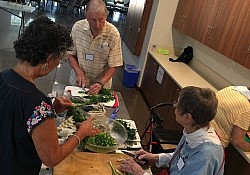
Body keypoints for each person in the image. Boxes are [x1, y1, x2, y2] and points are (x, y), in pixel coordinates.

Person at [0, 16, 98, 175]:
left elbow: (14, 117)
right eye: (59, 60)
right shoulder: (39, 104)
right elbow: (51, 158)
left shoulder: (3, 77)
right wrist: (81, 133)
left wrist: (51, 110)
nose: (57, 64)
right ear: (49, 59)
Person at [120, 86, 224, 175]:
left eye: (177, 105)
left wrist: (141, 173)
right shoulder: (193, 129)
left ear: (187, 117)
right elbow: (181, 158)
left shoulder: (205, 156)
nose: (174, 107)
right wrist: (155, 158)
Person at [68, 0, 123, 95]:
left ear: (106, 15)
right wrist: (79, 72)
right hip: (78, 82)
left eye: (101, 19)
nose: (97, 25)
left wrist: (100, 83)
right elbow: (70, 54)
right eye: (93, 20)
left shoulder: (113, 34)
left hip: (101, 85)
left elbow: (114, 64)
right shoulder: (77, 28)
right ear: (86, 16)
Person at [210, 86, 250, 151]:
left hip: (199, 131)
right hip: (213, 144)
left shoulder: (231, 88)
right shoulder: (247, 109)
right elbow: (237, 141)